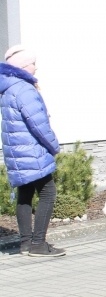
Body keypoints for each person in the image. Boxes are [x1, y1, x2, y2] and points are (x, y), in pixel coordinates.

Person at [0, 45, 65, 257]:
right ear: (24, 66)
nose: (36, 68)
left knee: (25, 195)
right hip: (32, 151)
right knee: (48, 193)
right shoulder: (25, 89)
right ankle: (38, 244)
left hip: (17, 152)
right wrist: (54, 145)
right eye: (33, 63)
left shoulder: (9, 88)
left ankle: (26, 243)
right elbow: (39, 125)